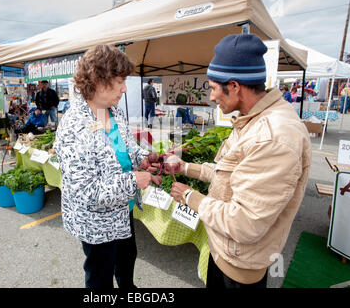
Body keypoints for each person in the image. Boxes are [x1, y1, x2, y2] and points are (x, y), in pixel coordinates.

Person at [160, 34, 311, 288]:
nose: (211, 97)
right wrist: (186, 167)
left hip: (240, 266)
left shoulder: (274, 138)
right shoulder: (251, 119)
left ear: (234, 86)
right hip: (223, 251)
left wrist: (190, 197)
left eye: (213, 87)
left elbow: (244, 223)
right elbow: (228, 175)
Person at [54, 45, 156, 289]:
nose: (124, 89)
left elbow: (127, 146)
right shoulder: (74, 126)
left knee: (126, 259)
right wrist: (134, 181)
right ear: (98, 80)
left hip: (122, 209)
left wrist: (143, 158)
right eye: (120, 81)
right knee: (100, 275)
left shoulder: (114, 111)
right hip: (96, 221)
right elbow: (86, 191)